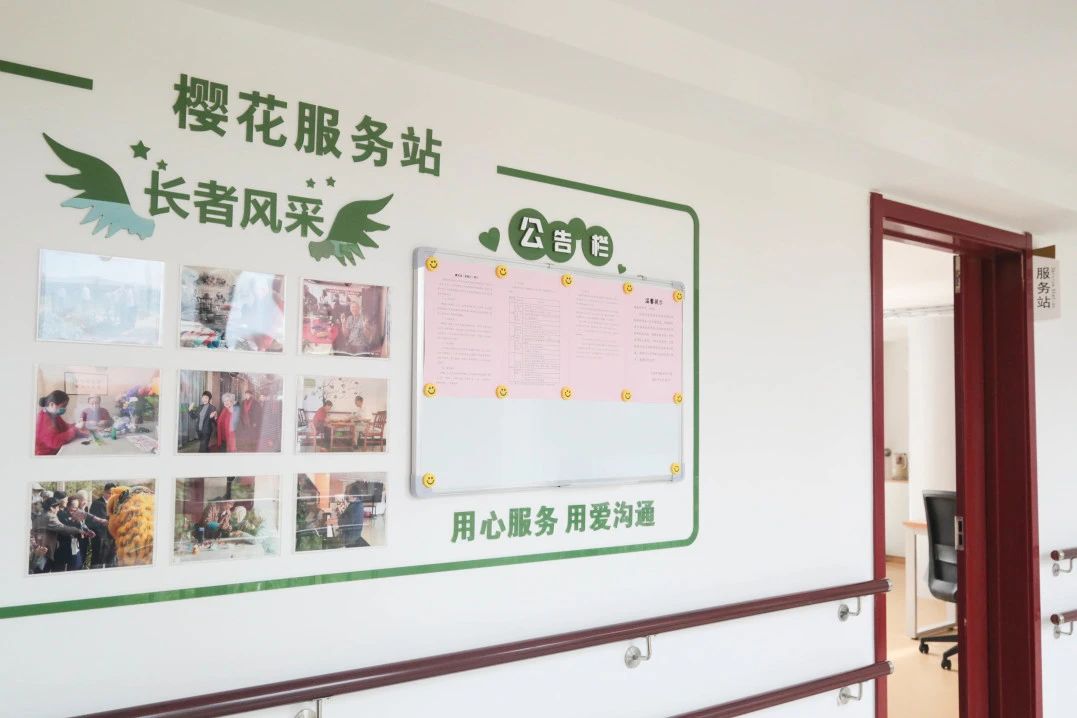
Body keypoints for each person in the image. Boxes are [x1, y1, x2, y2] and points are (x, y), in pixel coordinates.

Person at [35, 390, 86, 456]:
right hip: (47, 455)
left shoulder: (54, 414)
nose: (64, 408)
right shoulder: (44, 419)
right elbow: (54, 442)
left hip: (56, 450)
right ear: (52, 404)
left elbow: (64, 427)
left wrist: (76, 424)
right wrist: (75, 428)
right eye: (63, 406)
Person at [89, 483, 116, 568]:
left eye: (113, 493)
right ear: (104, 492)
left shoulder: (115, 504)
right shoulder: (97, 503)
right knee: (97, 564)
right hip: (100, 540)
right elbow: (95, 523)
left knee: (111, 564)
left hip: (112, 540)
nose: (111, 495)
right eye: (109, 493)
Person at [338, 481, 368, 548]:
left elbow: (346, 524)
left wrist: (337, 521)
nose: (347, 496)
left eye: (349, 494)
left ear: (354, 495)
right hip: (352, 536)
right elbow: (346, 517)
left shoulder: (356, 506)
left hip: (351, 539)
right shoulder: (355, 503)